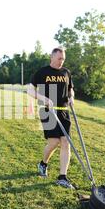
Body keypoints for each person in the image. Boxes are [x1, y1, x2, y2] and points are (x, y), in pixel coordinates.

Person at [27, 47, 76, 189]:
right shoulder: (42, 72)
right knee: (54, 142)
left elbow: (70, 89)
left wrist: (71, 97)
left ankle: (62, 177)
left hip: (63, 111)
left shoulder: (66, 72)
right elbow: (30, 90)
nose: (62, 61)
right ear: (52, 57)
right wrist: (44, 98)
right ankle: (43, 163)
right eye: (59, 58)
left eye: (63, 59)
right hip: (48, 110)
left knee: (66, 142)